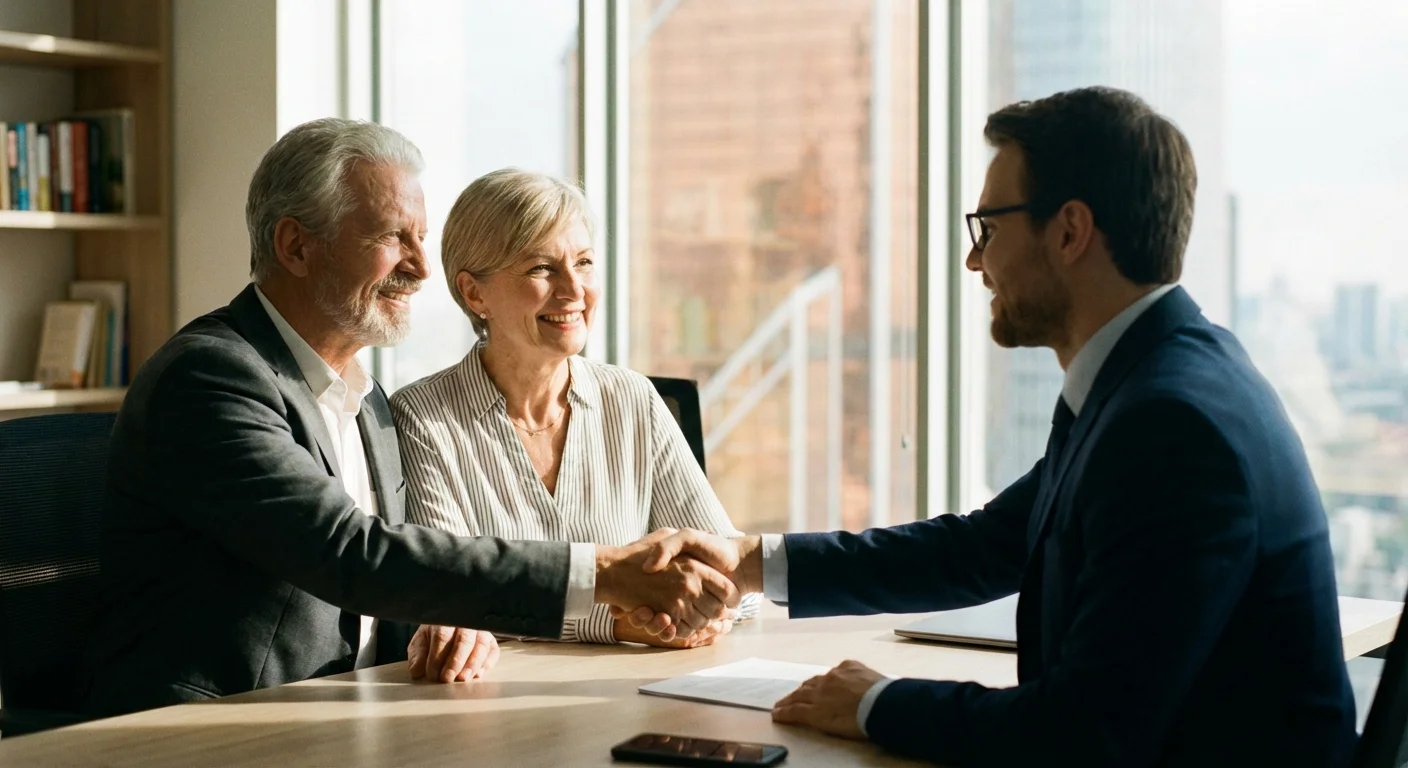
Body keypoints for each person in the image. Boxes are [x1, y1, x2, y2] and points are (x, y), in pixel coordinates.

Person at [628, 87, 1357, 767]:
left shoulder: (1172, 425)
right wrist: (747, 558)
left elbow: (1083, 734)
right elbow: (984, 547)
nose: (975, 260)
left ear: (1070, 230)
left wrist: (877, 702)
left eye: (989, 227)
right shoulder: (1151, 379)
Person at [84, 118, 737, 716]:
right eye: (393, 238)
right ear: (296, 246)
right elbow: (351, 556)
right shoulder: (211, 378)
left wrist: (453, 623)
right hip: (222, 726)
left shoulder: (362, 398)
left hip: (364, 709)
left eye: (421, 238)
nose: (423, 269)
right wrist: (603, 577)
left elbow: (401, 581)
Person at [389, 169, 761, 653]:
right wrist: (613, 621)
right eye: (541, 268)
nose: (573, 290)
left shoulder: (634, 400)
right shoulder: (421, 418)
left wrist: (693, 605)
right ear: (475, 293)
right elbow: (452, 600)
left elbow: (732, 576)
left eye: (583, 263)